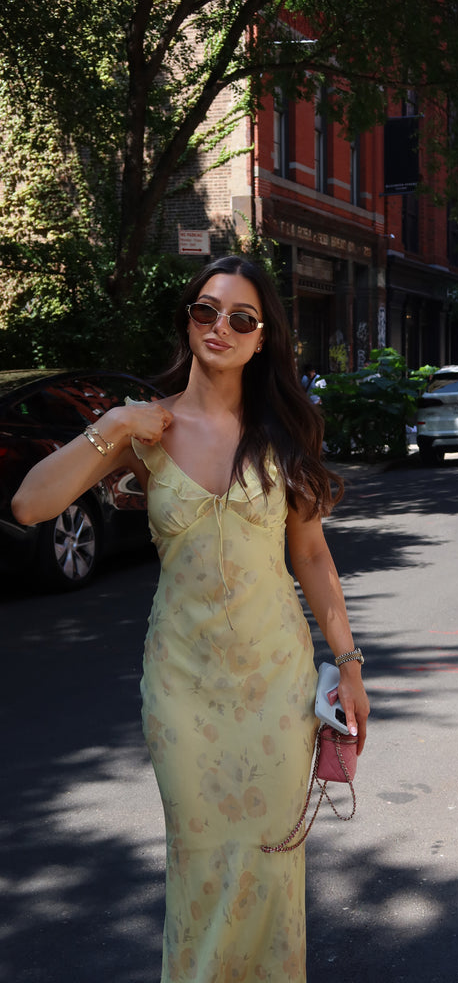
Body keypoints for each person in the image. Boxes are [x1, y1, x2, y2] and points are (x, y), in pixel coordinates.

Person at [12, 255, 370, 983]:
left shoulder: (283, 432)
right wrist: (114, 422)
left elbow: (311, 556)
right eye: (206, 310)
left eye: (241, 318)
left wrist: (349, 663)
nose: (220, 327)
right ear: (188, 320)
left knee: (270, 863)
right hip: (182, 685)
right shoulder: (146, 430)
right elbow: (29, 505)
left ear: (262, 338)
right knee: (201, 863)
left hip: (275, 684)